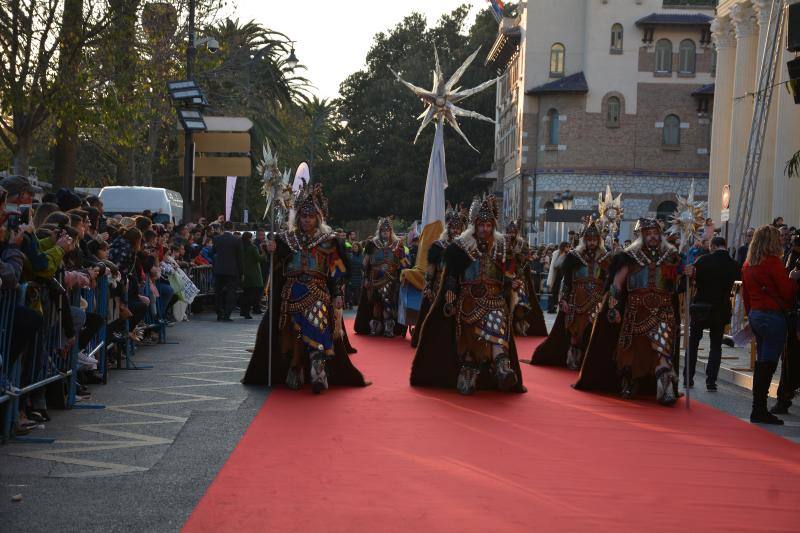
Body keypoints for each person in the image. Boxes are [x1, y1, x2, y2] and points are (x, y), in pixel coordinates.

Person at [242, 182, 368, 393]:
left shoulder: (328, 242)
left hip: (318, 291)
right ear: (297, 218)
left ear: (318, 218)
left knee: (317, 327)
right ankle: (295, 366)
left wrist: (337, 293)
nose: (307, 220)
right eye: (303, 216)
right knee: (294, 333)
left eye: (310, 217)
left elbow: (336, 270)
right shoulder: (286, 240)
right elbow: (275, 260)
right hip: (290, 292)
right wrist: (270, 249)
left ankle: (318, 369)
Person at [411, 195, 528, 395]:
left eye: (488, 225)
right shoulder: (461, 246)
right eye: (481, 224)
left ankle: (502, 366)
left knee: (497, 324)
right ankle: (469, 369)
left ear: (493, 225)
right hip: (468, 300)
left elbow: (508, 274)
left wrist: (514, 284)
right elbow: (452, 274)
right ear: (475, 225)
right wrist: (449, 291)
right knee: (469, 338)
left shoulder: (502, 246)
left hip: (494, 299)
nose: (484, 229)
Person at [575, 218, 682, 406]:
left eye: (656, 233)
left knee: (662, 349)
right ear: (642, 236)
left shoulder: (671, 255)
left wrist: (688, 273)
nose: (653, 237)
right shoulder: (630, 256)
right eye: (648, 234)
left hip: (663, 310)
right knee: (630, 352)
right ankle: (628, 382)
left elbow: (676, 284)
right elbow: (617, 284)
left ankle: (665, 388)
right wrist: (614, 307)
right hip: (635, 311)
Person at [530, 218, 610, 369]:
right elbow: (566, 280)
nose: (592, 243)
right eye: (589, 239)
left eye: (594, 240)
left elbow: (608, 281)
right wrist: (563, 299)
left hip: (597, 299)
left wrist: (608, 299)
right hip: (577, 298)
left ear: (599, 240)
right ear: (584, 240)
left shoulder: (605, 257)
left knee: (594, 329)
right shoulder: (574, 256)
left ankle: (590, 359)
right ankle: (573, 355)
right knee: (575, 329)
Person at [741, 225, 800, 424]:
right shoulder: (773, 263)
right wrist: (793, 279)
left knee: (761, 362)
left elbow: (745, 296)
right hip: (773, 316)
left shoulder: (748, 264)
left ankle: (757, 407)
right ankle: (759, 409)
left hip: (756, 315)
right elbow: (786, 292)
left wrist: (751, 316)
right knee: (768, 363)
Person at [684, 236, 740, 390]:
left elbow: (692, 278)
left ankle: (688, 378)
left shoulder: (703, 261)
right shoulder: (734, 264)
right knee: (716, 345)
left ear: (713, 246)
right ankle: (711, 381)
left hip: (701, 306)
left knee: (693, 342)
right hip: (721, 309)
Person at [411, 204, 466, 348]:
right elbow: (431, 268)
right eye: (453, 228)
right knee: (435, 313)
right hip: (438, 285)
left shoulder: (466, 247)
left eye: (458, 228)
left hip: (459, 285)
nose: (455, 230)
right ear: (448, 229)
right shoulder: (438, 246)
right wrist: (428, 285)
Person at [354, 216, 408, 337]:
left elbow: (403, 262)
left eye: (388, 230)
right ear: (379, 231)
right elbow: (365, 264)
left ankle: (389, 327)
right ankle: (375, 327)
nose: (385, 233)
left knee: (388, 302)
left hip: (391, 279)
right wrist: (366, 278)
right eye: (383, 231)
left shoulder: (397, 244)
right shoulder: (372, 244)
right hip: (374, 279)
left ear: (391, 231)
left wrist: (405, 272)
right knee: (376, 303)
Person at [505, 219, 547, 337]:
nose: (511, 234)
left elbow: (527, 258)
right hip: (504, 277)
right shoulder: (502, 242)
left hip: (518, 277)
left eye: (513, 232)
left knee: (521, 302)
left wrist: (519, 255)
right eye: (509, 232)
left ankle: (521, 324)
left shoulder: (522, 243)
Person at [773, 235, 800, 414]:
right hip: (795, 314)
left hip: (795, 315)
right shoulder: (793, 256)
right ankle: (784, 398)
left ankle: (784, 398)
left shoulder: (793, 257)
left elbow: (788, 283)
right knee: (790, 359)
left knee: (791, 360)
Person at [211, 221, 243, 322]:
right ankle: (227, 314)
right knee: (231, 292)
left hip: (219, 269)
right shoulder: (237, 240)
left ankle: (219, 313)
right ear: (232, 228)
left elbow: (213, 251)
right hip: (232, 270)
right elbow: (239, 258)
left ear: (223, 228)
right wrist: (241, 272)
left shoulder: (217, 239)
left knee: (218, 292)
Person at [239, 232, 266, 319]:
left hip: (244, 272)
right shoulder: (253, 247)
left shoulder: (241, 247)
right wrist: (264, 252)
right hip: (254, 273)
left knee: (246, 293)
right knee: (254, 293)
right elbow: (259, 258)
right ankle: (248, 311)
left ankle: (244, 311)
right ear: (249, 238)